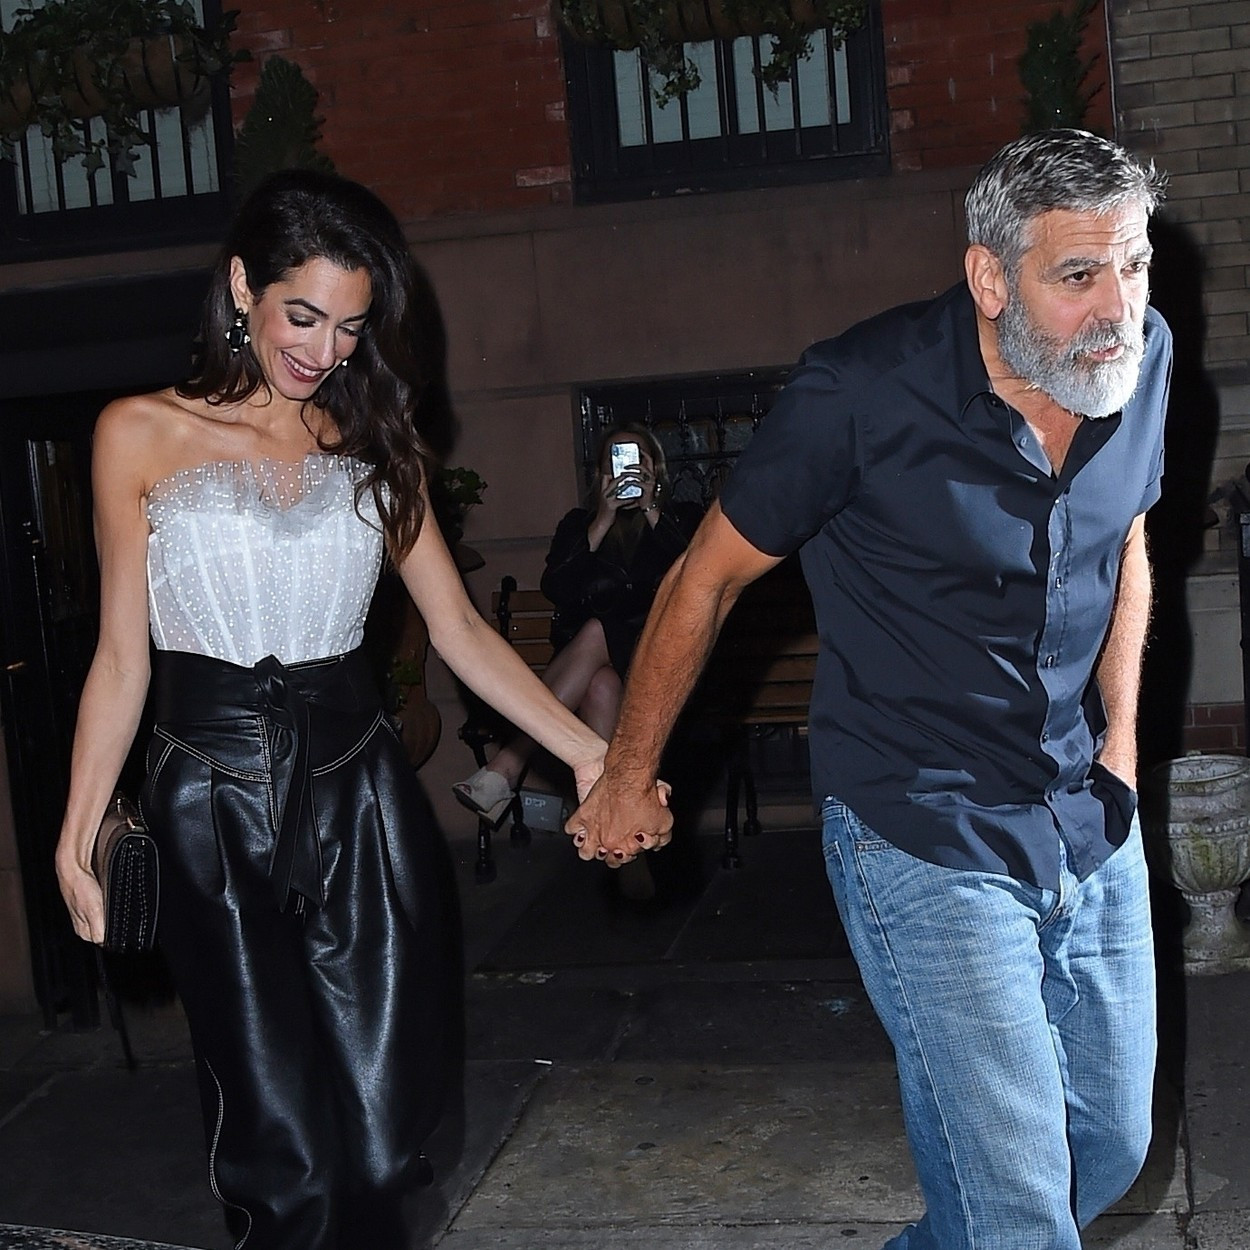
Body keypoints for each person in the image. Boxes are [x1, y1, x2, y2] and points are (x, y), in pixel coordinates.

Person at [568, 129, 1171, 1250]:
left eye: (1133, 264)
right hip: (921, 821)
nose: (1117, 306)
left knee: (1108, 1149)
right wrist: (628, 771)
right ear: (990, 277)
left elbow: (1127, 533)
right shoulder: (860, 392)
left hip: (1085, 806)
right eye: (1079, 274)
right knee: (1018, 1214)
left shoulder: (1138, 360)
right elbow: (703, 578)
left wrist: (1123, 738)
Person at [53, 169, 609, 1250]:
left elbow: (459, 629)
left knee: (384, 1131)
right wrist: (77, 838)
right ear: (241, 287)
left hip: (358, 792)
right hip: (211, 796)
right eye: (302, 316)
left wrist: (590, 753)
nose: (326, 349)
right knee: (281, 1142)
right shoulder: (139, 432)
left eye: (351, 327)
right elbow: (120, 658)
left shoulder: (376, 445)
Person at [454, 424, 701, 826]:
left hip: (656, 661)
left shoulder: (681, 518)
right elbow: (557, 588)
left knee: (597, 631)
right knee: (600, 684)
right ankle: (617, 833)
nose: (626, 470)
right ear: (601, 473)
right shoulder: (579, 525)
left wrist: (652, 510)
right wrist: (601, 522)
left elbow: (695, 579)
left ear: (654, 467)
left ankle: (510, 761)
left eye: (637, 459)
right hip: (588, 670)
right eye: (616, 462)